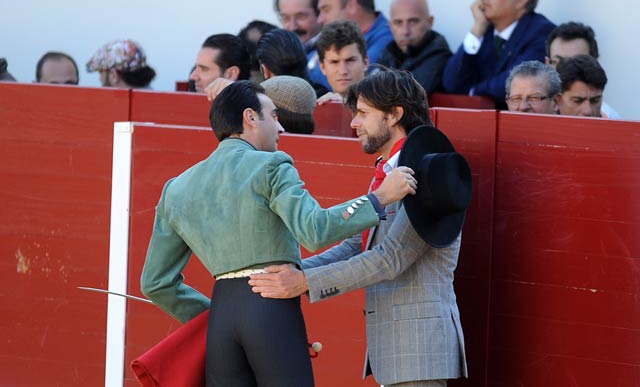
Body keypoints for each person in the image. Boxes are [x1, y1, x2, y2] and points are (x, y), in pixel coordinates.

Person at [140, 80, 417, 386]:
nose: (281, 128)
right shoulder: (271, 165)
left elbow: (156, 284)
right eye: (274, 116)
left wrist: (212, 314)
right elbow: (315, 230)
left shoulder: (176, 188)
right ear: (250, 117)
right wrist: (378, 199)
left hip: (221, 315)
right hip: (270, 308)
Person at [250, 69, 471, 387]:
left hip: (418, 347)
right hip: (399, 346)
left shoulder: (426, 172)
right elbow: (355, 245)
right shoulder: (386, 172)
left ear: (395, 114)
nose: (354, 124)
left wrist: (303, 282)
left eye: (363, 114)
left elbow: (390, 258)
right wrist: (289, 271)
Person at [443, 0, 555, 109]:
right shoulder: (484, 31)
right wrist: (476, 30)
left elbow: (518, 82)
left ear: (521, 0)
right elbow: (451, 82)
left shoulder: (542, 31)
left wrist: (473, 91)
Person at [310, 0, 393, 90]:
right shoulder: (323, 39)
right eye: (334, 62)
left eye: (326, 9)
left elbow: (349, 84)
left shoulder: (389, 38)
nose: (320, 20)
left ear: (351, 6)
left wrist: (309, 70)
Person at [379, 0, 451, 94]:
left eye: (413, 21)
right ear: (390, 26)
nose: (405, 31)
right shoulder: (388, 53)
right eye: (398, 23)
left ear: (430, 22)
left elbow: (406, 95)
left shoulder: (440, 56)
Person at [545, 21, 620, 119]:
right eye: (558, 61)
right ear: (547, 63)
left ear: (595, 62)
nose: (566, 68)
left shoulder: (610, 119)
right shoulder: (530, 109)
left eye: (578, 61)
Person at [315, 20, 369, 105]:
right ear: (322, 67)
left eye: (350, 60)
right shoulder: (315, 108)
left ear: (365, 63)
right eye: (334, 62)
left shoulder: (386, 103)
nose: (343, 71)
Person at [86, 39, 156, 88]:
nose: (100, 79)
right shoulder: (158, 105)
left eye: (101, 72)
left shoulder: (113, 108)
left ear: (114, 75)